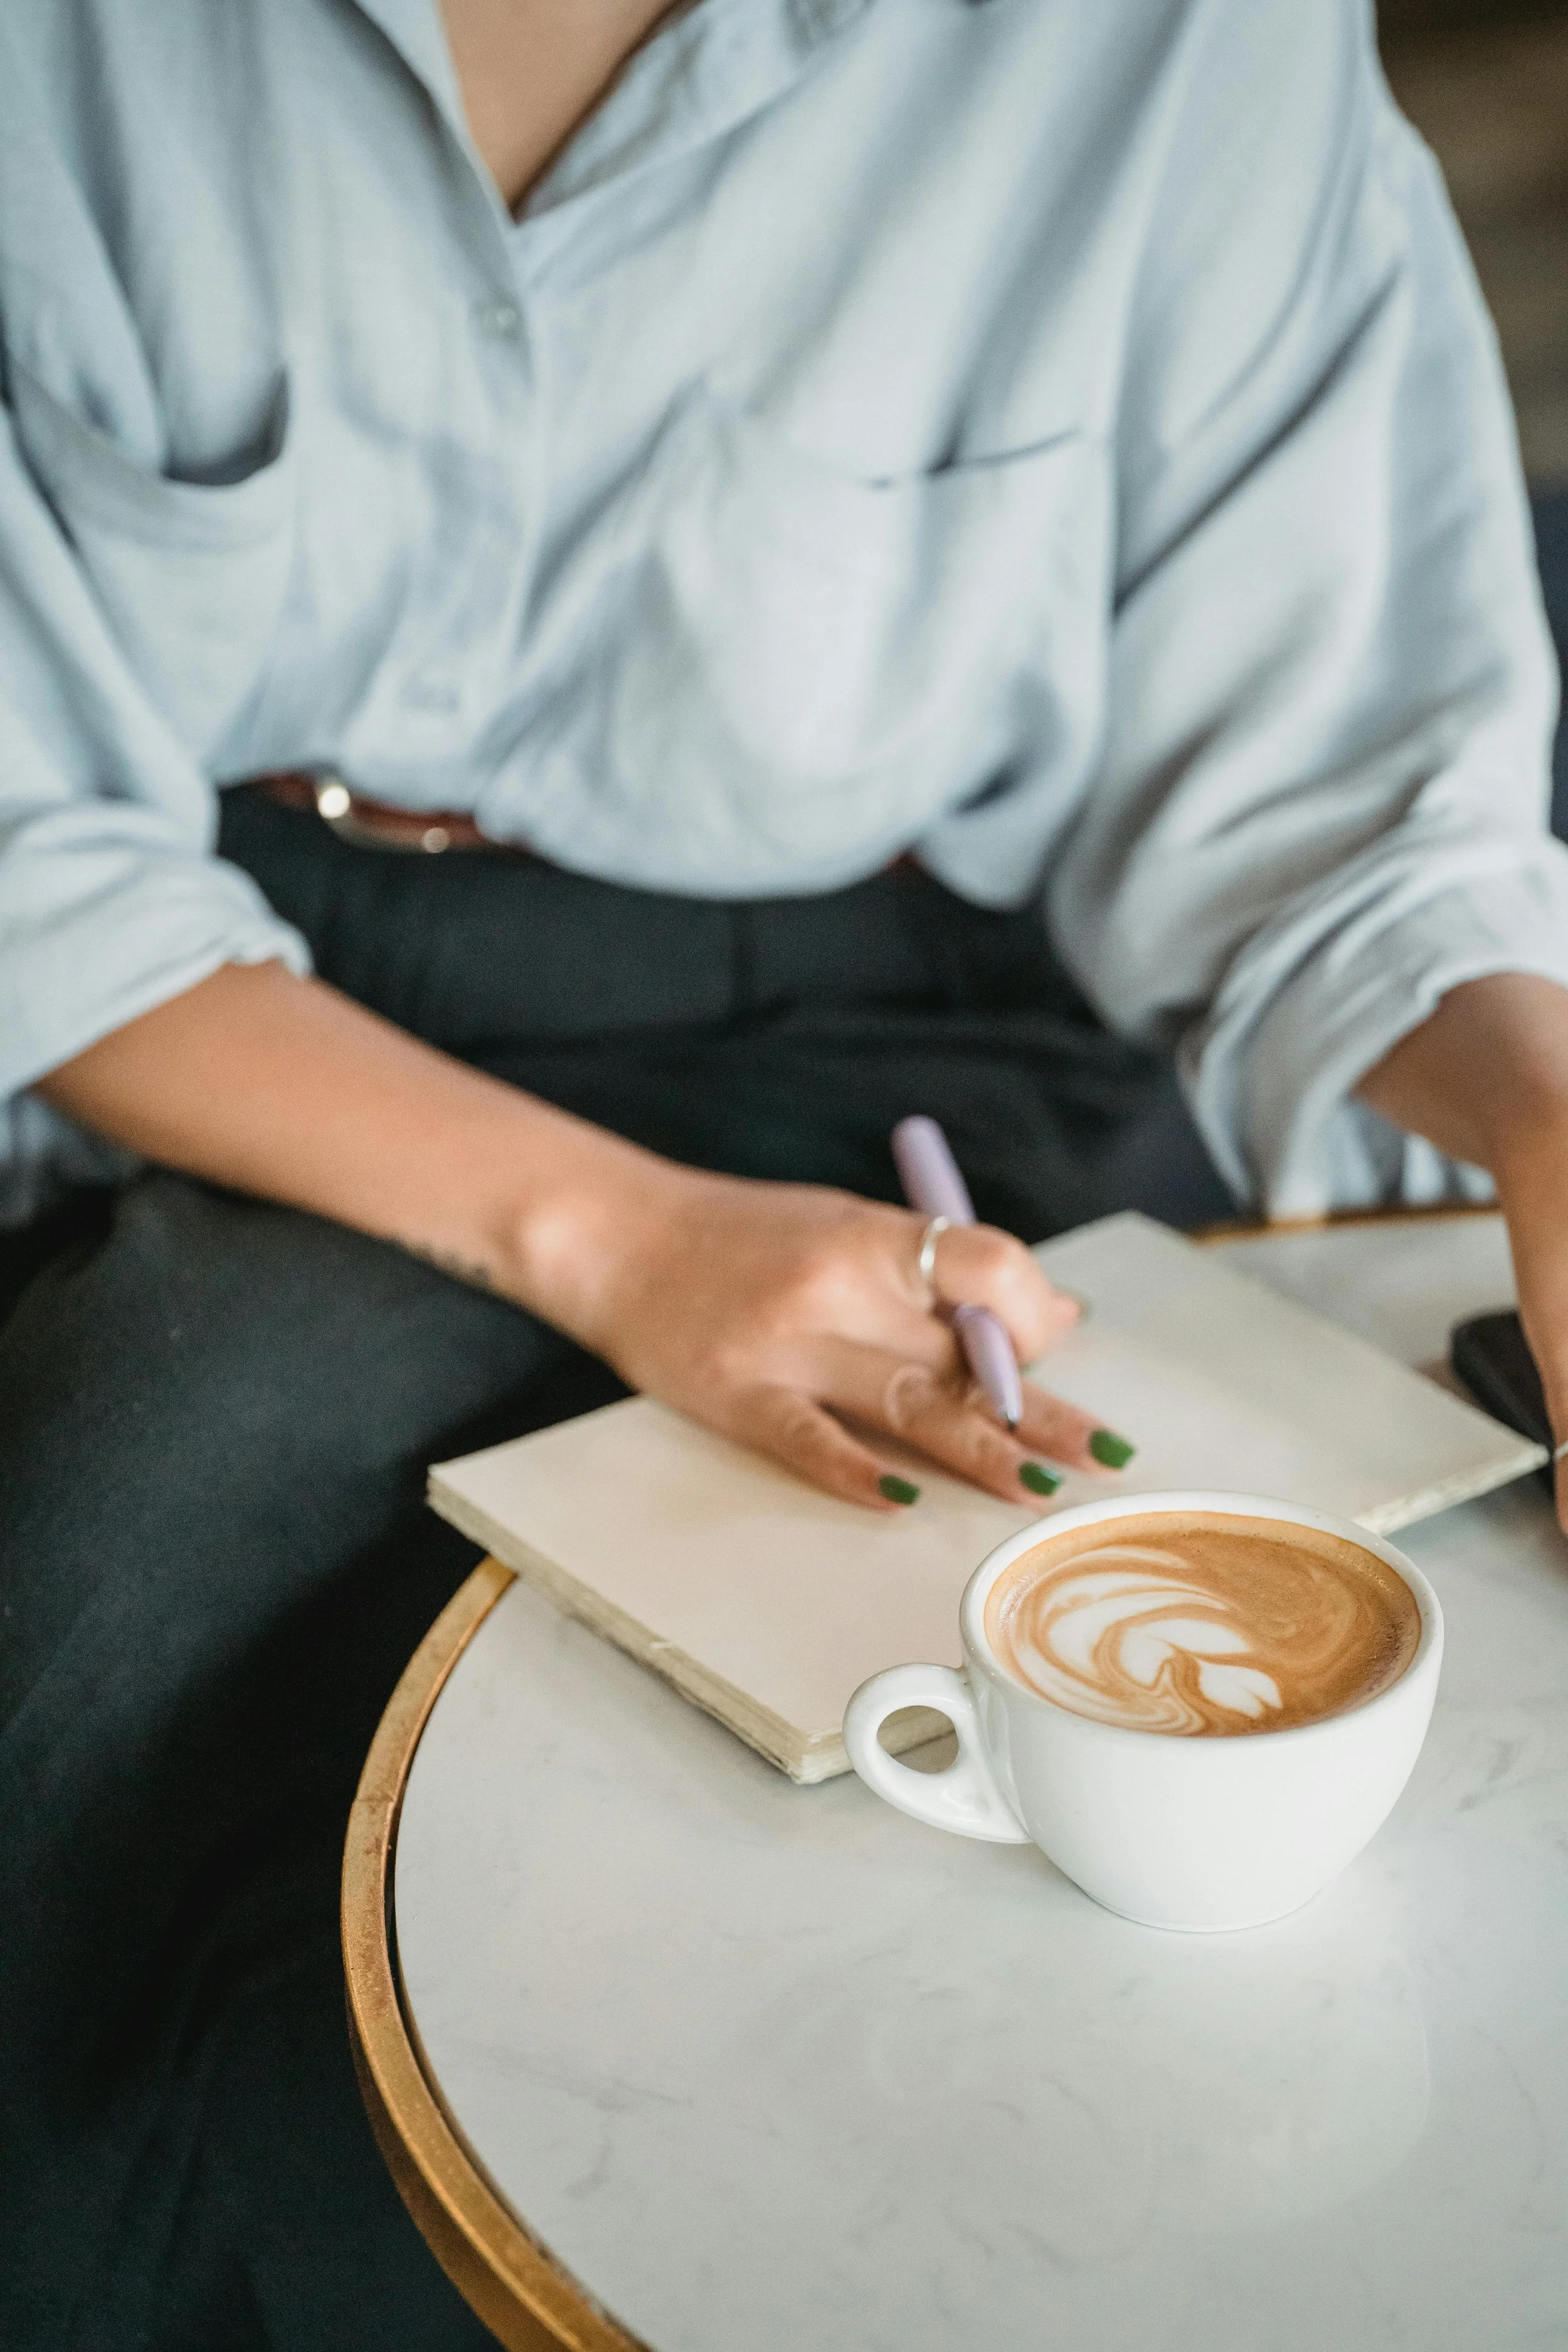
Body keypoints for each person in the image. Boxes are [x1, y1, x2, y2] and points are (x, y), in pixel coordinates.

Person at [3, 1, 1567, 2344]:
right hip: (258, 1012)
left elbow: (1345, 824)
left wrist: (1547, 1116)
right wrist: (623, 1235)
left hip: (946, 995)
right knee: (91, 1650)